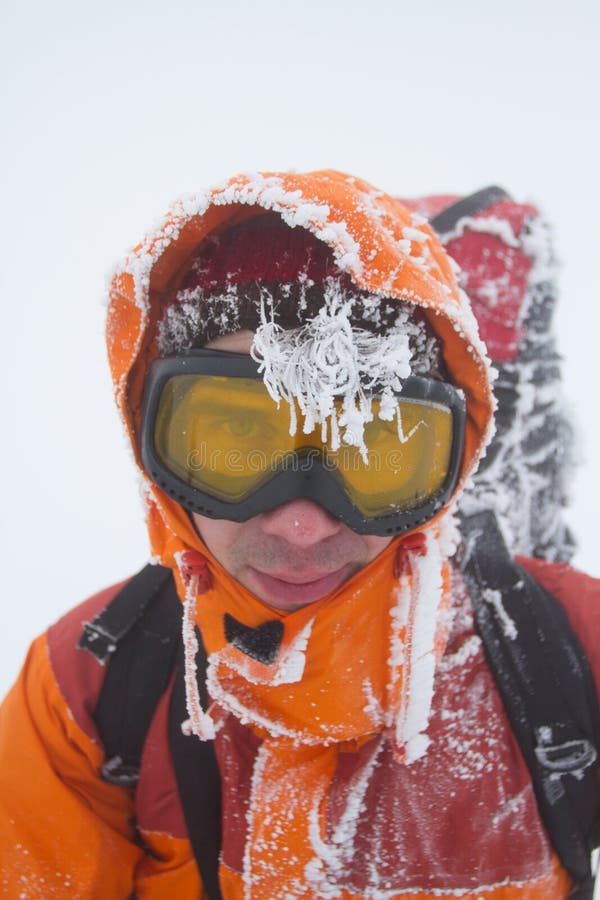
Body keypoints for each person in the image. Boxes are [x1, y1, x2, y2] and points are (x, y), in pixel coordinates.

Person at [0, 169, 598, 899]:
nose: (304, 524)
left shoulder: (572, 651)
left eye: (376, 447)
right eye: (234, 438)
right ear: (151, 443)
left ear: (449, 465)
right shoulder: (84, 693)